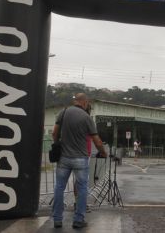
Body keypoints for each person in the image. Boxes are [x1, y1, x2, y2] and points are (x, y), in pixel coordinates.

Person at [52, 93, 108, 229]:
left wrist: (58, 145)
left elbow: (54, 133)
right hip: (80, 159)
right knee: (82, 188)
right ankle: (78, 220)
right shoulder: (87, 118)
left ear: (75, 101)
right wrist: (103, 152)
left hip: (64, 158)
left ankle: (57, 220)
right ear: (85, 102)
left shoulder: (63, 113)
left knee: (59, 187)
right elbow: (97, 141)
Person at [73, 103, 92, 213]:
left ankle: (78, 203)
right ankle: (81, 205)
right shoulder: (86, 120)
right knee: (82, 181)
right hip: (83, 154)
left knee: (79, 181)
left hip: (80, 153)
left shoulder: (76, 119)